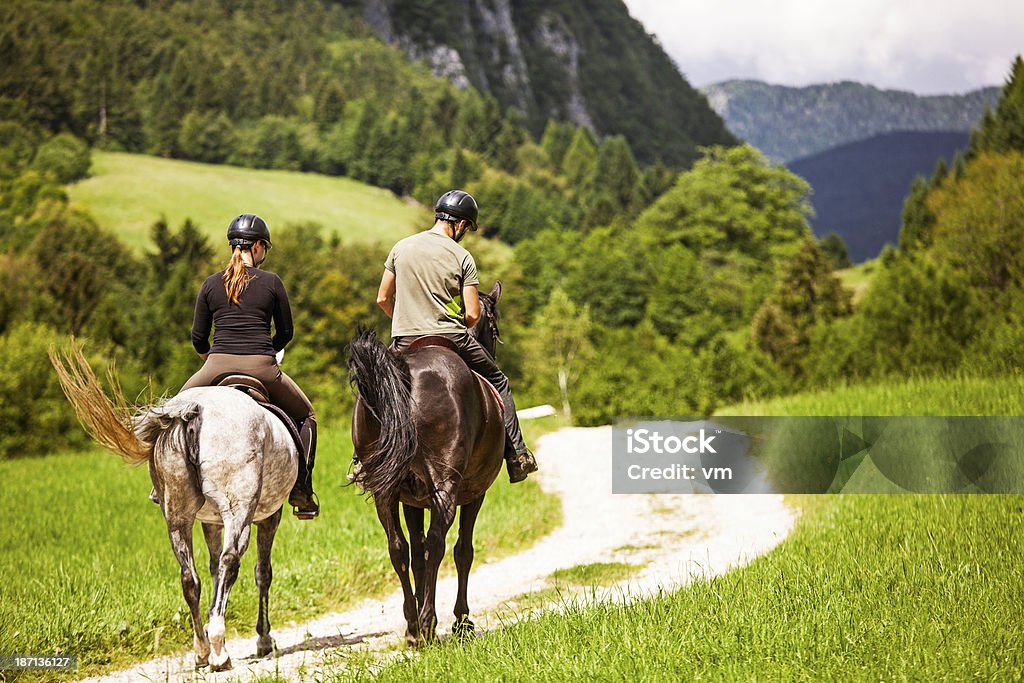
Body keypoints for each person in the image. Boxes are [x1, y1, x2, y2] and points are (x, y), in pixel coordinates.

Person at [375, 190, 538, 483]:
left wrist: (405, 321)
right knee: (499, 380)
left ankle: (362, 460)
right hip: (448, 337)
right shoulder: (462, 256)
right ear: (461, 224)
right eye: (467, 229)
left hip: (403, 338)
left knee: (377, 386)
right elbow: (474, 315)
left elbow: (383, 298)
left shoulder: (401, 247)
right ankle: (517, 455)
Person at [180, 214, 320, 519]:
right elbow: (287, 333)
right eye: (264, 248)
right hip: (262, 368)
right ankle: (302, 491)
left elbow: (198, 337)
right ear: (257, 247)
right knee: (308, 416)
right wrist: (267, 349)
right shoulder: (271, 283)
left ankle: (164, 485)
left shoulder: (210, 284)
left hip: (215, 367)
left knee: (173, 413)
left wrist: (210, 358)